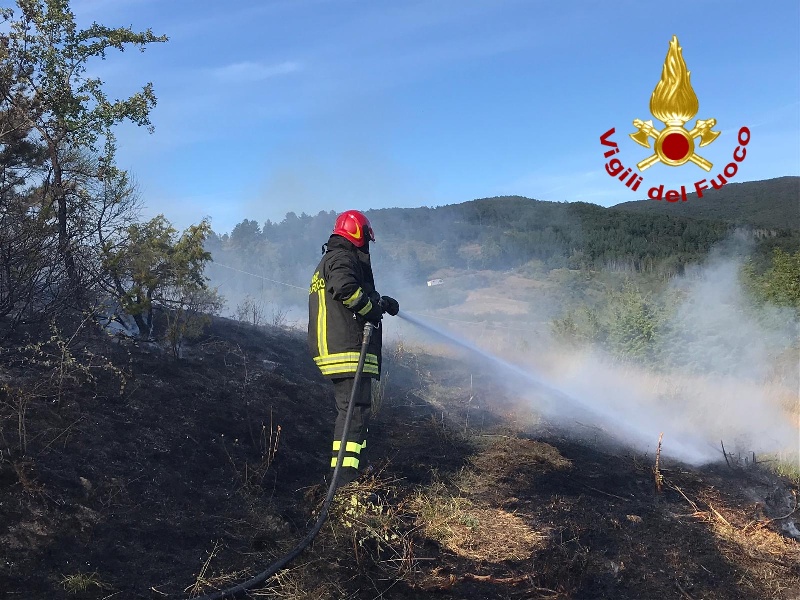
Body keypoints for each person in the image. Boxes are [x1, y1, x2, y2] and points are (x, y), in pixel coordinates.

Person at [308, 210, 399, 489]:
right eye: (366, 240)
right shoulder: (341, 257)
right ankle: (345, 481)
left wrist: (379, 302)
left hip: (339, 347)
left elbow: (351, 291)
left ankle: (353, 469)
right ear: (357, 234)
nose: (367, 246)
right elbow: (345, 289)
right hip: (346, 349)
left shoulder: (333, 258)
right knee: (353, 413)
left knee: (354, 412)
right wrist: (371, 310)